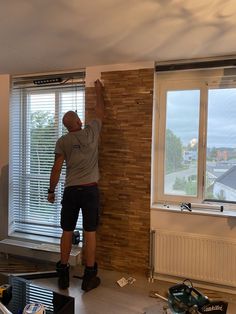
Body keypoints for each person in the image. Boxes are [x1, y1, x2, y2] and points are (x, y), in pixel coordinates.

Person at [47, 79, 104, 292]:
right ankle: (89, 277)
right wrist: (98, 91)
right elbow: (100, 111)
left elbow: (56, 168)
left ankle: (63, 274)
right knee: (90, 233)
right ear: (79, 121)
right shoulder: (91, 132)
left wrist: (51, 191)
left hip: (71, 191)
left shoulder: (62, 141)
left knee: (67, 231)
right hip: (89, 190)